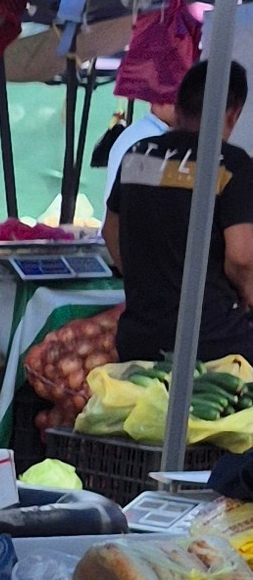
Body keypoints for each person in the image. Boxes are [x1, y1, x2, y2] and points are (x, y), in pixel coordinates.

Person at [102, 60, 253, 365]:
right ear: (232, 112)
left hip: (139, 335)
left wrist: (148, 284)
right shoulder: (232, 164)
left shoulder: (137, 155)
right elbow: (241, 257)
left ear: (179, 106)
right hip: (213, 339)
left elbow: (110, 230)